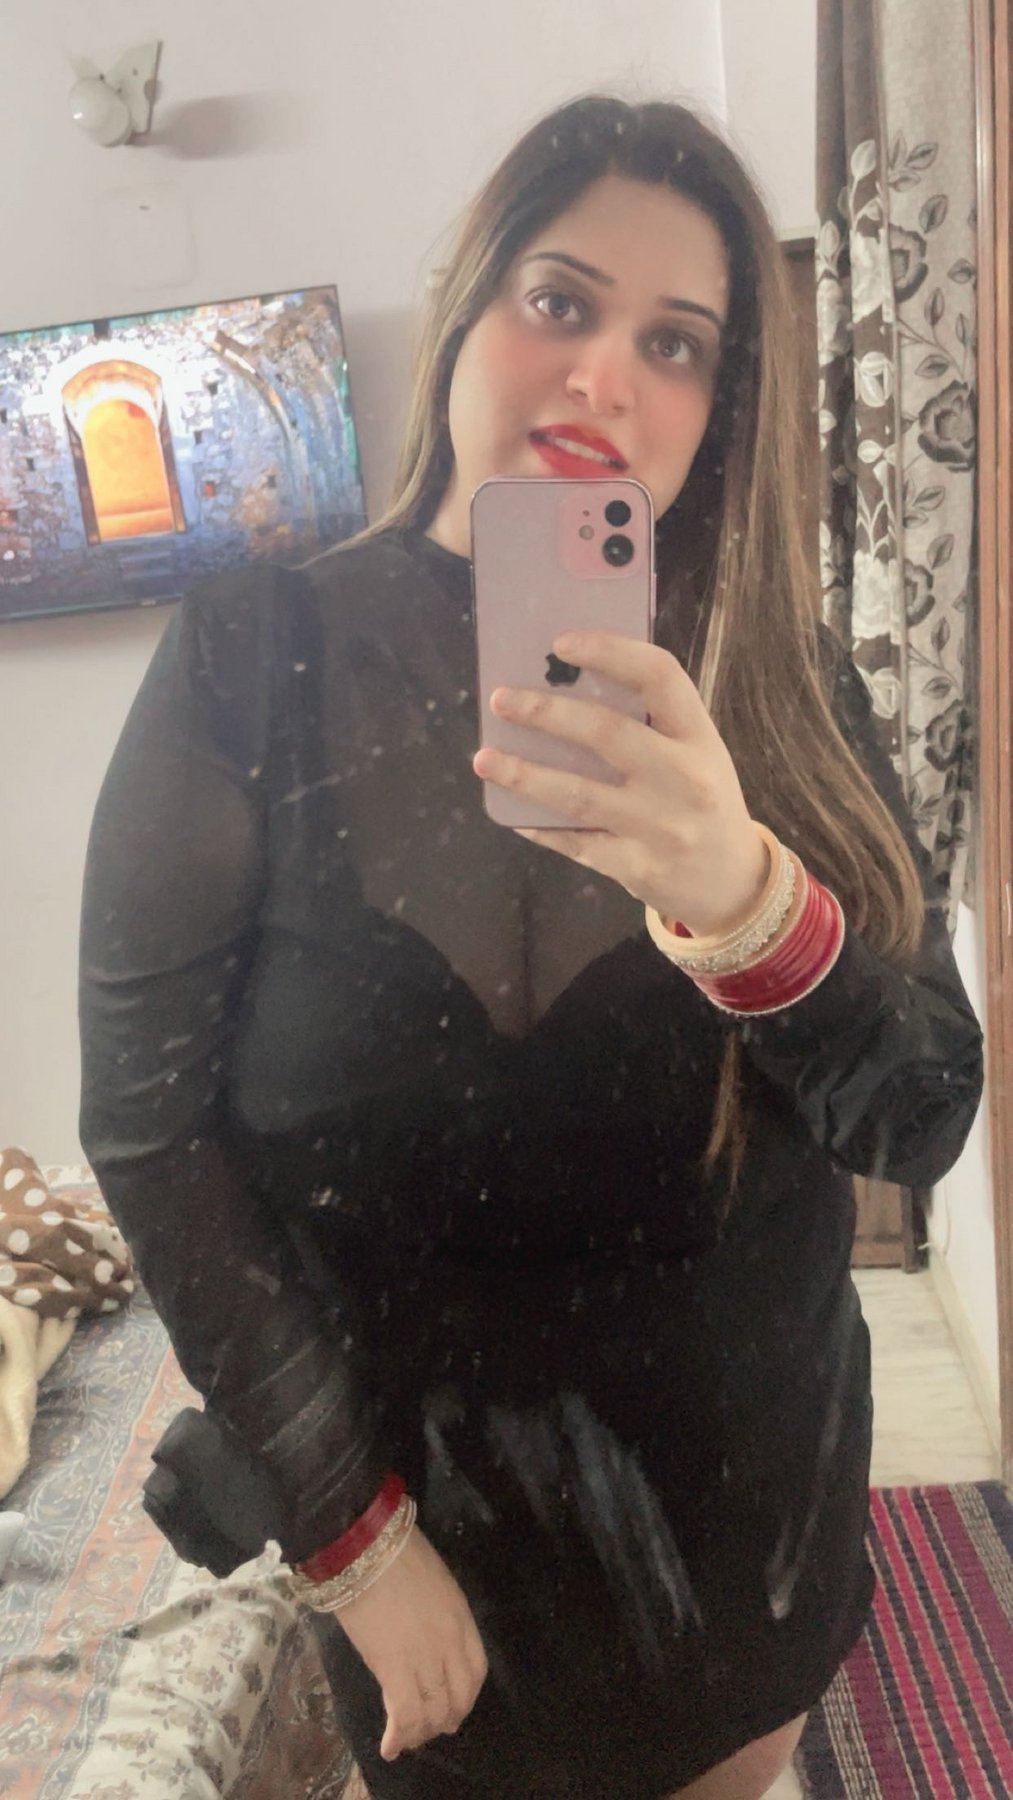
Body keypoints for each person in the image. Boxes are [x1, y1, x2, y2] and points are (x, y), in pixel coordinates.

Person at [78, 94, 983, 1800]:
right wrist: (349, 1543)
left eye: (676, 343)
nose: (603, 377)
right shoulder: (246, 659)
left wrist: (744, 896)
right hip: (421, 1572)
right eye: (560, 301)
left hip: (742, 1551)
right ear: (467, 306)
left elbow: (918, 1113)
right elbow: (148, 1133)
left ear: (721, 407)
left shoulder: (782, 686)